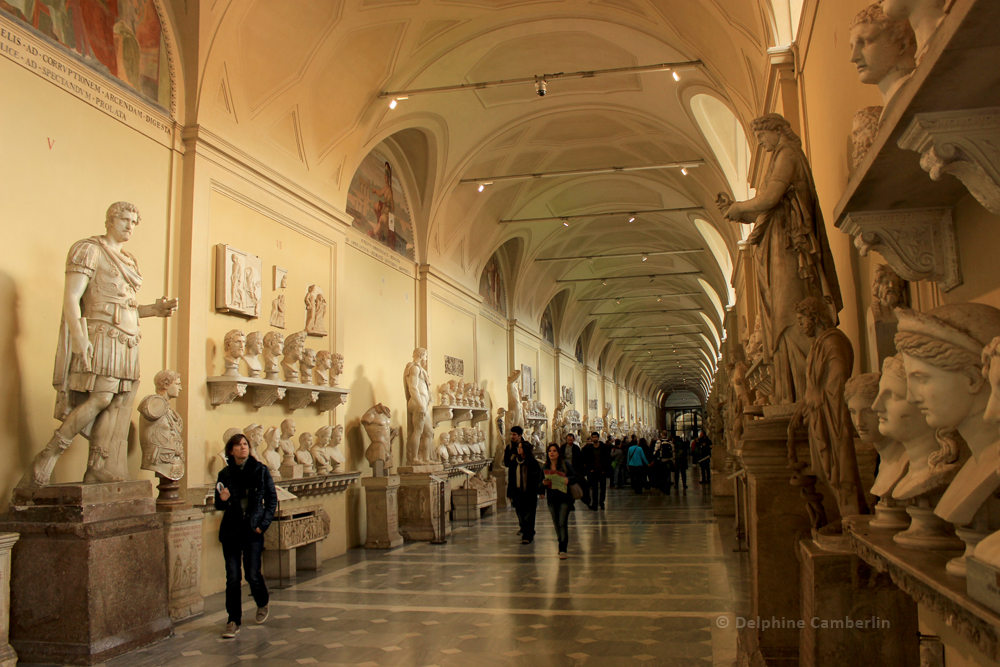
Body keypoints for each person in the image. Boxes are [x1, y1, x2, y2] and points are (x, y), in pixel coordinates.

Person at [215, 432, 278, 639]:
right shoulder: (224, 474)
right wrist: (223, 500)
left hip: (252, 530)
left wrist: (263, 525)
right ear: (230, 450)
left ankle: (262, 602)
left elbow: (271, 500)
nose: (243, 447)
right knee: (232, 577)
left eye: (245, 444)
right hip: (231, 531)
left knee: (252, 574)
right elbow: (218, 504)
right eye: (238, 445)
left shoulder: (260, 471)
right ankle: (233, 620)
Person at [541, 443, 579, 559]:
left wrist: (567, 479)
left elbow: (574, 477)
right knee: (556, 523)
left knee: (562, 522)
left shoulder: (565, 464)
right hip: (552, 498)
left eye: (554, 451)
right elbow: (539, 483)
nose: (551, 453)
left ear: (558, 453)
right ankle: (560, 542)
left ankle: (563, 548)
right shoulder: (545, 467)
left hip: (564, 498)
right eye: (550, 451)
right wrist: (543, 484)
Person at [509, 436, 542, 544]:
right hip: (518, 492)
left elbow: (538, 478)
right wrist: (509, 492)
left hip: (529, 492)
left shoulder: (533, 463)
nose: (519, 449)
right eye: (518, 447)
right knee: (520, 514)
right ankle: (525, 529)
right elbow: (511, 478)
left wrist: (540, 490)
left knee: (529, 514)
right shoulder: (515, 462)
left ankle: (528, 535)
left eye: (521, 448)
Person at [581, 432, 612, 510]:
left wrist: (605, 469)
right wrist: (589, 469)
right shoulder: (589, 448)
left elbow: (608, 459)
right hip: (593, 471)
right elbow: (585, 459)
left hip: (602, 471)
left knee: (603, 488)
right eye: (593, 437)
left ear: (598, 438)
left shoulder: (603, 447)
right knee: (594, 489)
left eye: (595, 437)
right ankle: (595, 504)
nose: (594, 438)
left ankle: (602, 503)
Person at [560, 433, 586, 508]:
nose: (569, 441)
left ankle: (572, 501)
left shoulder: (576, 448)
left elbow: (579, 459)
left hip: (573, 469)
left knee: (572, 485)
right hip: (564, 469)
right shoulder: (563, 447)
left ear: (574, 440)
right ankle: (568, 502)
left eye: (571, 440)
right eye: (568, 440)